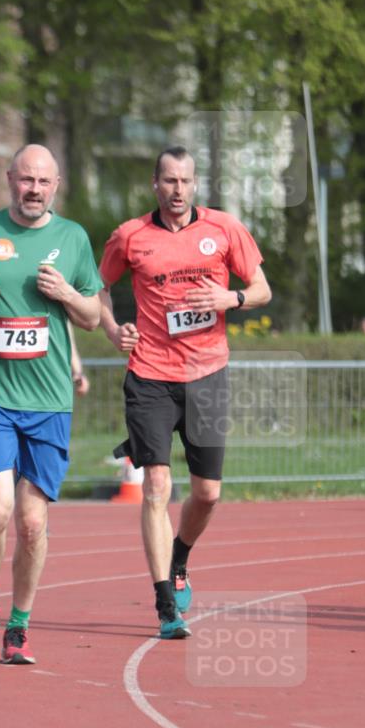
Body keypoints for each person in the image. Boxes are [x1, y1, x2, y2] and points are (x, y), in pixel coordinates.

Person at [0, 143, 102, 665]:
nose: (34, 189)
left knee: (31, 523)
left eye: (44, 182)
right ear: (9, 179)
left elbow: (93, 316)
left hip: (48, 399)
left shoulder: (73, 238)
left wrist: (67, 295)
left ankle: (20, 625)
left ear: (56, 186)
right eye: (26, 179)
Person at [99, 146, 271, 639]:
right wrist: (112, 328)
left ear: (196, 185)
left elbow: (262, 288)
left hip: (207, 374)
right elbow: (97, 286)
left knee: (208, 494)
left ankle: (180, 557)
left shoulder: (224, 229)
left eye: (186, 181)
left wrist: (230, 297)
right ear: (155, 184)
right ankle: (164, 603)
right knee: (156, 487)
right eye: (170, 180)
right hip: (150, 375)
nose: (178, 190)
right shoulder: (130, 236)